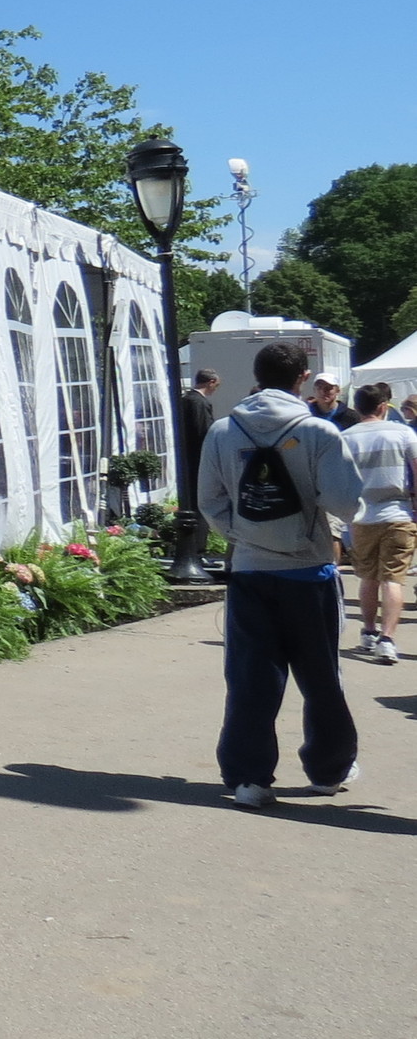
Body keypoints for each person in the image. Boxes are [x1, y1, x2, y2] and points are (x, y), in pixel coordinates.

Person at [198, 342, 363, 808]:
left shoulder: (223, 430)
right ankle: (328, 771)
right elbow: (346, 503)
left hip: (250, 570)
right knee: (321, 677)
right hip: (309, 570)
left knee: (251, 678)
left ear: (256, 374)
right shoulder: (318, 432)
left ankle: (250, 778)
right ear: (303, 378)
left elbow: (209, 501)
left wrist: (247, 534)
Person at [343, 382, 417, 664]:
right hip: (397, 512)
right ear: (383, 406)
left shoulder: (347, 437)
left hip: (362, 516)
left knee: (367, 576)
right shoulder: (403, 433)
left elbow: (341, 480)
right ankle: (388, 639)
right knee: (393, 578)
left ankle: (369, 631)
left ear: (357, 407)